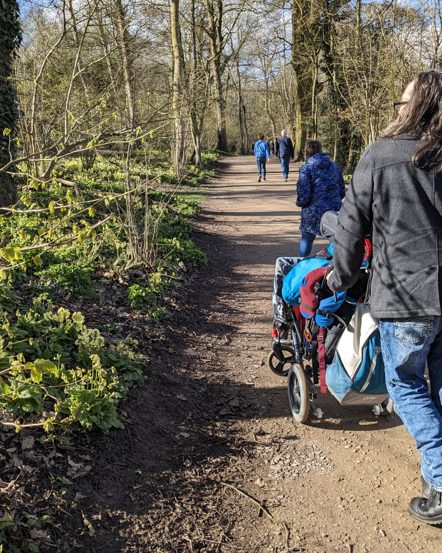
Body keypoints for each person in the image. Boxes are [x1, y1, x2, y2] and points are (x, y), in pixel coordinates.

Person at [326, 71, 442, 525]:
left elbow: (350, 229)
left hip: (405, 297)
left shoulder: (379, 156)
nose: (398, 109)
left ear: (412, 108)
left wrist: (340, 280)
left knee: (405, 385)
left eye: (401, 102)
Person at [296, 140, 345, 257]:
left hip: (312, 210)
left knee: (307, 237)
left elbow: (304, 193)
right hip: (333, 209)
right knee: (336, 238)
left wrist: (300, 203)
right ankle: (338, 265)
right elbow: (341, 190)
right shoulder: (335, 166)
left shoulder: (306, 169)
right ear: (320, 150)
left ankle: (301, 264)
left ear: (307, 151)